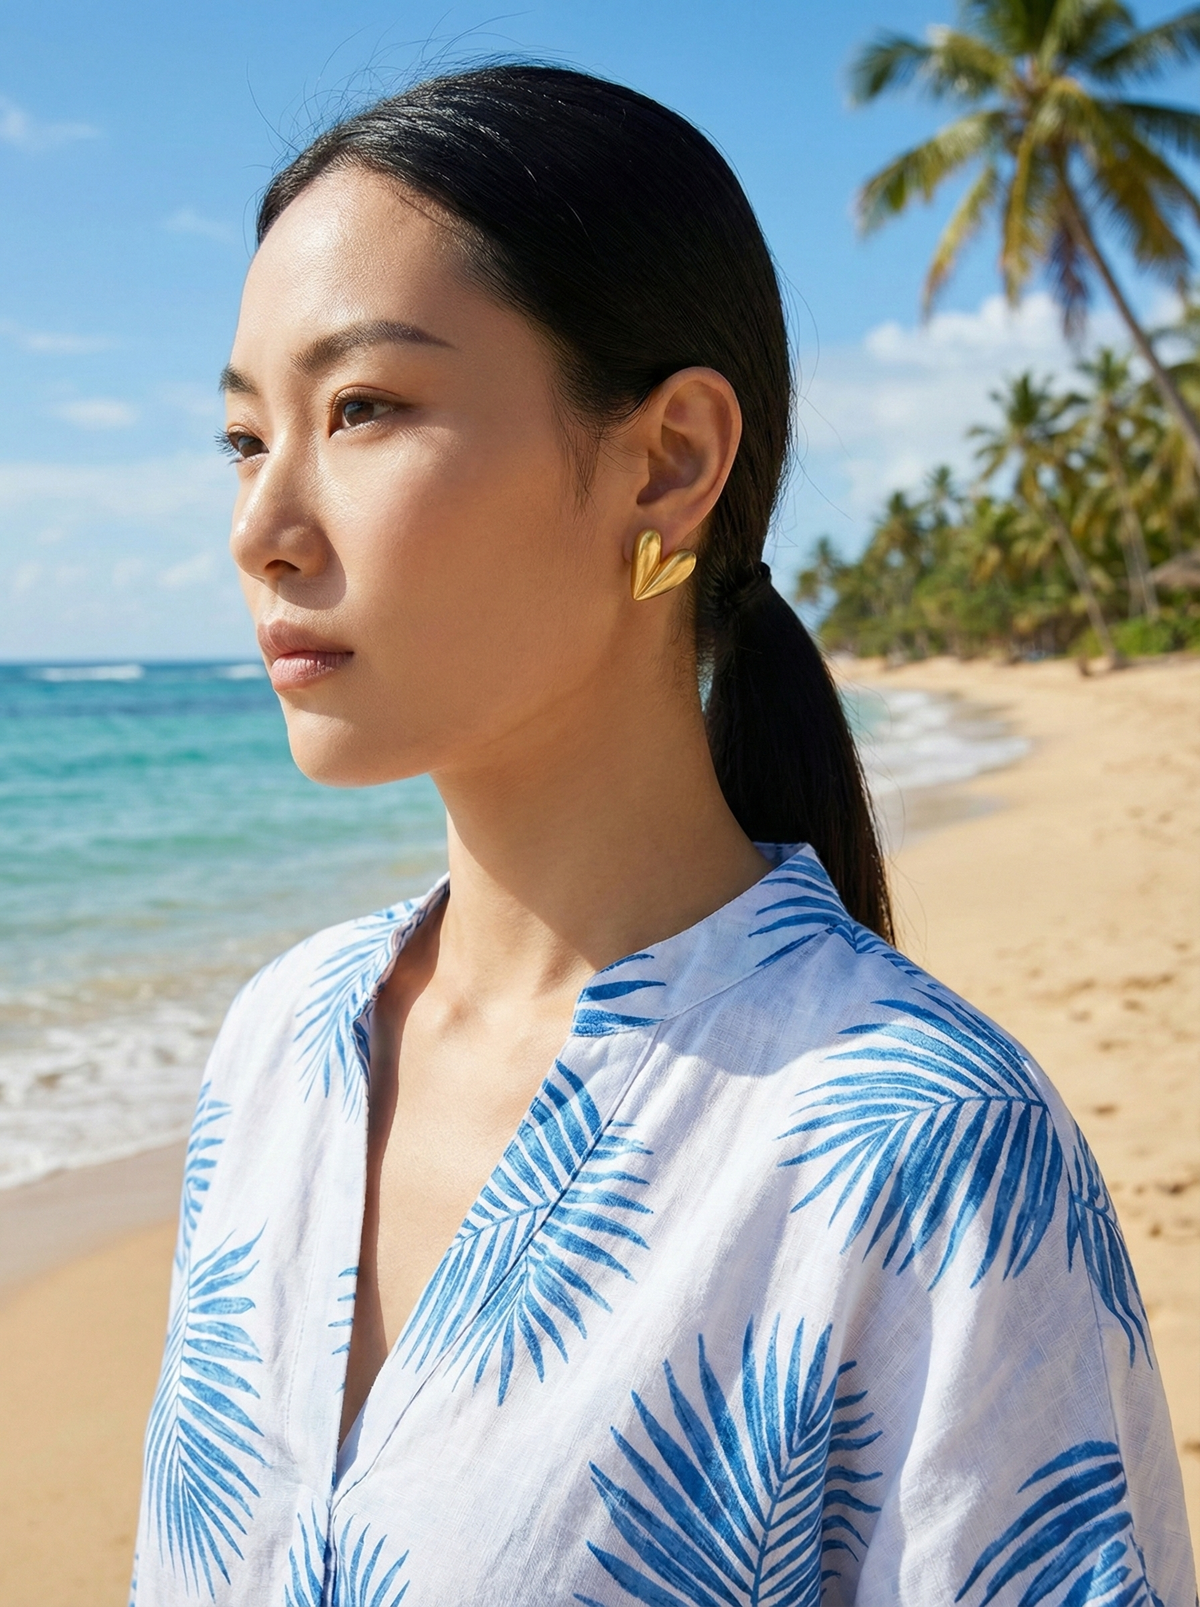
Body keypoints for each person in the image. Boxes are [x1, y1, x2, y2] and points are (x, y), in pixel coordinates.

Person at [130, 65, 1193, 1606]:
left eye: (363, 408)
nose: (262, 526)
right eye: (244, 437)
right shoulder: (278, 1049)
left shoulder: (921, 1148)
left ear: (668, 460)